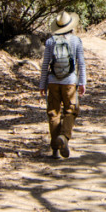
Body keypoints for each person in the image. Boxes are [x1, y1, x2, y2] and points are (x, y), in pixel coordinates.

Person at [39, 12, 87, 160]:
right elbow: (81, 63)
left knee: (53, 113)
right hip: (70, 82)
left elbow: (45, 64)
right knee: (71, 111)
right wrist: (82, 82)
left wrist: (42, 84)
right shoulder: (76, 41)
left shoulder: (50, 41)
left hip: (53, 82)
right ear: (71, 26)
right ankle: (64, 137)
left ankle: (55, 149)